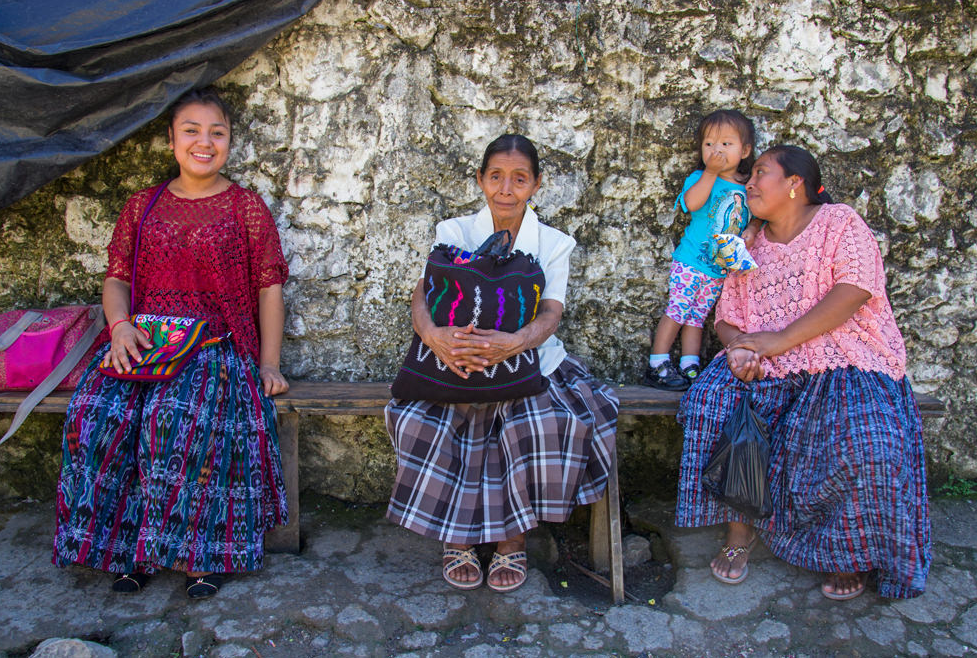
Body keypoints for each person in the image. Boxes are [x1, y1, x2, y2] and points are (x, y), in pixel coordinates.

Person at [53, 88, 291, 599]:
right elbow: (116, 278)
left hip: (213, 345)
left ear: (229, 141)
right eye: (191, 130)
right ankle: (130, 551)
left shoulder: (244, 207)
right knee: (95, 414)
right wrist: (119, 328)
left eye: (217, 132)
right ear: (171, 139)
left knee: (177, 420)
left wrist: (269, 363)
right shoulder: (144, 205)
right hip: (144, 341)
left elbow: (269, 286)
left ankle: (202, 554)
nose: (204, 142)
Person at [675, 145, 930, 600]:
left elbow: (855, 290)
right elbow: (726, 314)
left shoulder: (839, 223)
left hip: (846, 359)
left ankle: (848, 552)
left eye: (760, 173)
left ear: (794, 184)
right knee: (715, 403)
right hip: (766, 361)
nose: (749, 183)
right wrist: (738, 348)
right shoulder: (746, 242)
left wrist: (776, 341)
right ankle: (740, 531)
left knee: (869, 440)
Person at [385, 134, 619, 592]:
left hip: (529, 362)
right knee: (425, 422)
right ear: (481, 180)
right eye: (496, 177)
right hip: (453, 361)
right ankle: (457, 536)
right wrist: (433, 336)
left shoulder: (553, 244)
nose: (506, 189)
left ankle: (513, 540)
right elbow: (423, 291)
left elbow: (551, 312)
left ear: (535, 185)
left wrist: (514, 343)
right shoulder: (454, 232)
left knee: (533, 425)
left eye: (519, 179)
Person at [643, 109, 757, 390]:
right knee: (678, 310)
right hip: (691, 261)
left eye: (725, 144)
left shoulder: (748, 187)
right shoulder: (699, 177)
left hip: (719, 268)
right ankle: (657, 363)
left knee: (698, 316)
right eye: (709, 144)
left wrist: (753, 229)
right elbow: (692, 204)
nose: (716, 150)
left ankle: (689, 365)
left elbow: (759, 213)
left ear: (745, 150)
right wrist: (710, 172)